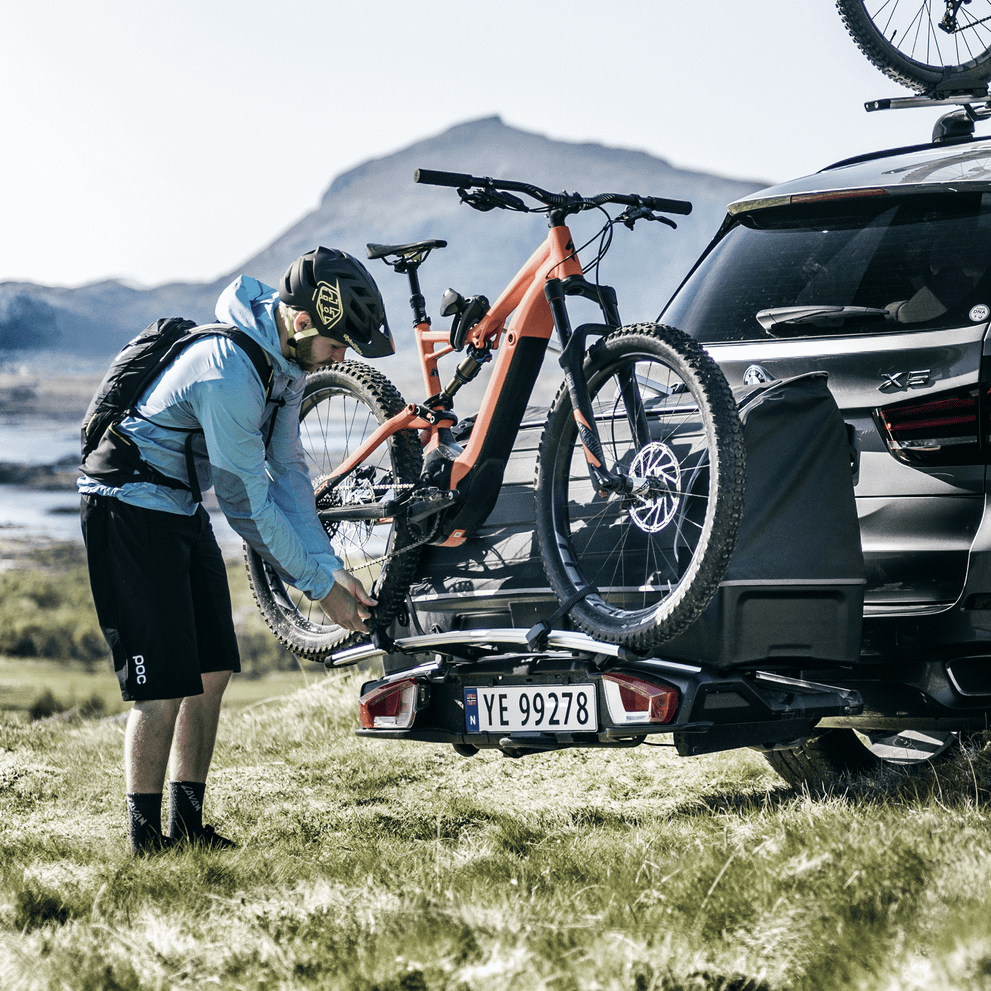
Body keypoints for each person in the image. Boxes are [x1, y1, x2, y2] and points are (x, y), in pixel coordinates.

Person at [79, 246, 393, 854]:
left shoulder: (286, 366)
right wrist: (320, 591)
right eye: (337, 345)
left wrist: (328, 567)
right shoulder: (227, 372)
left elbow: (290, 472)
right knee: (162, 685)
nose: (342, 357)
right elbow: (246, 506)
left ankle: (189, 827)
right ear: (301, 322)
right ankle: (146, 844)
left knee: (212, 671)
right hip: (127, 509)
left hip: (175, 505)